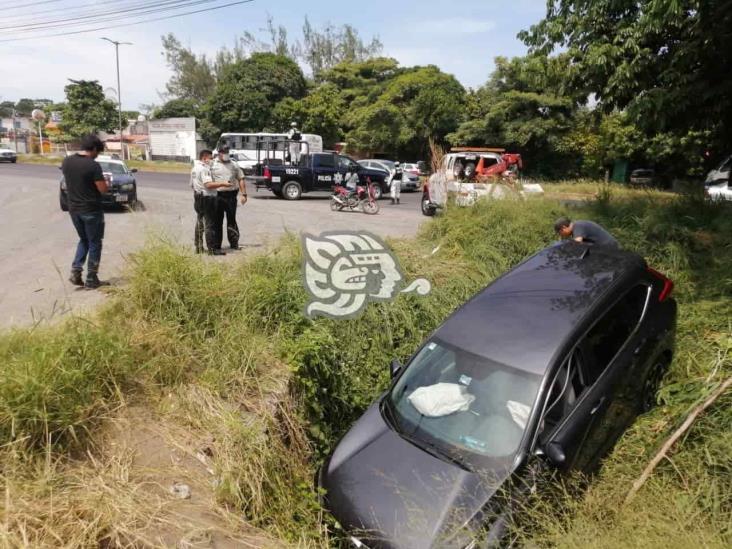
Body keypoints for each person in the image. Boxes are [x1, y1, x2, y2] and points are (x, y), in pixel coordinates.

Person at [62, 135, 109, 289]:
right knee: (95, 243)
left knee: (84, 240)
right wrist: (106, 183)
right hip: (91, 210)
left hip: (74, 210)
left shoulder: (67, 161)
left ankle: (76, 270)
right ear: (94, 149)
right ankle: (91, 279)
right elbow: (102, 189)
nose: (97, 155)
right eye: (98, 152)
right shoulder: (93, 165)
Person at [191, 150, 229, 255]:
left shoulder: (194, 168)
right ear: (204, 157)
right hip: (207, 199)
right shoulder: (204, 169)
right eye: (211, 158)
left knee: (199, 223)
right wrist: (223, 184)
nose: (212, 160)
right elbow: (208, 185)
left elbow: (191, 185)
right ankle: (212, 249)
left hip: (198, 196)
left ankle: (198, 247)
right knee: (209, 224)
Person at [211, 146, 247, 250]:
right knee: (217, 221)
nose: (225, 153)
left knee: (231, 220)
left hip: (231, 196)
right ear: (219, 153)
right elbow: (207, 180)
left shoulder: (234, 164)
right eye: (223, 152)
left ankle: (234, 244)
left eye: (227, 151)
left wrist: (244, 194)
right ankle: (216, 245)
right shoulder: (212, 164)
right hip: (217, 196)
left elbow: (241, 178)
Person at [554, 217, 619, 248]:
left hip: (609, 247)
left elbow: (576, 246)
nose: (562, 236)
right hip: (605, 246)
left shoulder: (577, 227)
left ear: (564, 228)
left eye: (560, 233)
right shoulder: (577, 226)